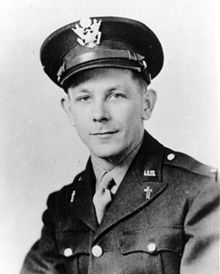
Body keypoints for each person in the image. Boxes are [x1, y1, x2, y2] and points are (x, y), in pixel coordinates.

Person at [20, 16, 219, 274]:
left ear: (146, 104)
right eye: (84, 98)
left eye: (115, 95)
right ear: (68, 111)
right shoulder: (63, 207)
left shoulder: (200, 192)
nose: (99, 114)